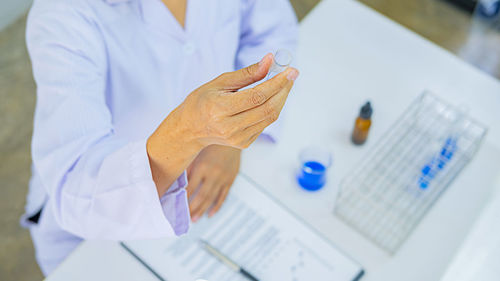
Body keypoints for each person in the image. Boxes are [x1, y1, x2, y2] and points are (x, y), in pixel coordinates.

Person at [21, 0, 299, 276]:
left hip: (208, 189)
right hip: (100, 222)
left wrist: (230, 138)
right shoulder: (62, 14)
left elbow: (273, 30)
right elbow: (78, 185)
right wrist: (189, 132)